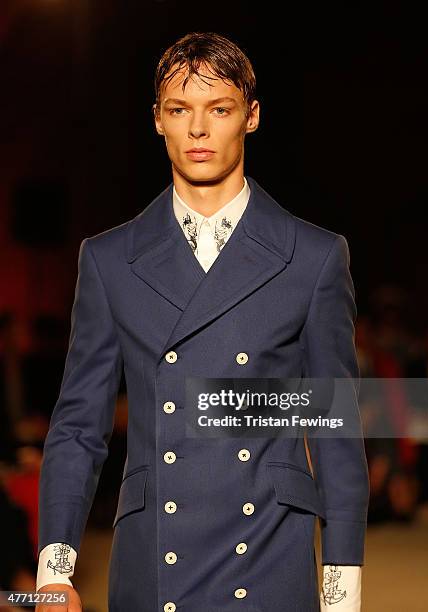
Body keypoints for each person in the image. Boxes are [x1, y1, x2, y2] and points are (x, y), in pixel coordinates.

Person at [35, 32, 369, 612]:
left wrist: (342, 592)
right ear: (157, 120)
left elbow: (335, 430)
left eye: (219, 109)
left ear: (252, 116)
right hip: (154, 557)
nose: (198, 130)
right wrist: (53, 572)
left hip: (269, 554)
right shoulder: (110, 260)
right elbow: (79, 426)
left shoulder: (313, 257)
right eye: (179, 110)